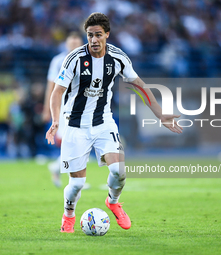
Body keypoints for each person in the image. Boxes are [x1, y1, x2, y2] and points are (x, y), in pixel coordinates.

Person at [46, 12, 182, 233]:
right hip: (75, 125)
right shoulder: (74, 59)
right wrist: (54, 120)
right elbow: (57, 92)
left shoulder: (118, 58)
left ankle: (113, 201)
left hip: (103, 123)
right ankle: (69, 215)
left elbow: (139, 85)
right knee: (77, 184)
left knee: (119, 170)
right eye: (90, 35)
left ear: (107, 34)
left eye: (98, 35)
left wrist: (159, 114)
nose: (93, 40)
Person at [43, 32, 84, 187]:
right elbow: (51, 86)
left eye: (76, 42)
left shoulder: (88, 60)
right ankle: (73, 179)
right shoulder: (58, 61)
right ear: (66, 43)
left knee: (80, 143)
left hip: (83, 108)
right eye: (71, 41)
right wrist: (47, 109)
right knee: (73, 142)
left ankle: (58, 168)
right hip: (65, 108)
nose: (73, 44)